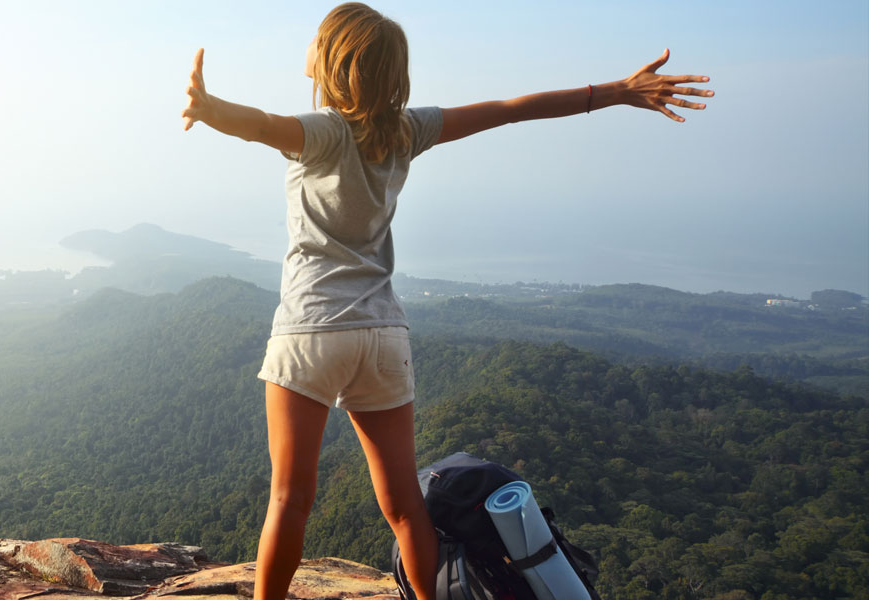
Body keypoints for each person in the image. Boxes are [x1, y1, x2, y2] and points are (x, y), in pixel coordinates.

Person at [177, 4, 713, 600]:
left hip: (312, 329)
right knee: (406, 506)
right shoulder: (406, 130)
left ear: (331, 60)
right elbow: (513, 110)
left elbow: (261, 124)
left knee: (289, 499)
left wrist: (210, 108)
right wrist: (614, 91)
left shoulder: (324, 131)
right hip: (382, 336)